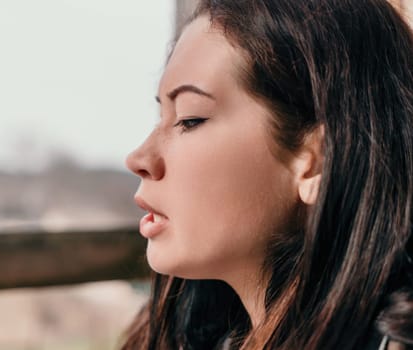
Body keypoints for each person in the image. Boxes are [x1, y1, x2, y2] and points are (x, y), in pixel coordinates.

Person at [123, 0, 413, 349]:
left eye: (189, 119)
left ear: (315, 162)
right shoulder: (189, 336)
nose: (139, 158)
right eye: (160, 118)